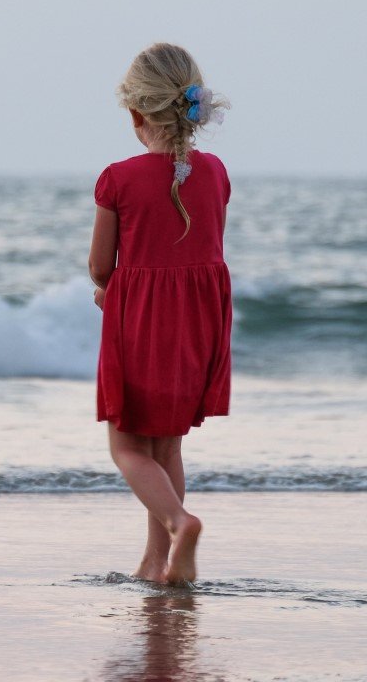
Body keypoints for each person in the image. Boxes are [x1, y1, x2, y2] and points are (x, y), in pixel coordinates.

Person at [88, 42, 232, 586]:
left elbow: (103, 266)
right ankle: (157, 560)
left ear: (135, 114)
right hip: (200, 321)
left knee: (127, 444)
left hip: (140, 323)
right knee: (166, 442)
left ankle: (179, 522)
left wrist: (104, 290)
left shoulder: (117, 179)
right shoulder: (216, 171)